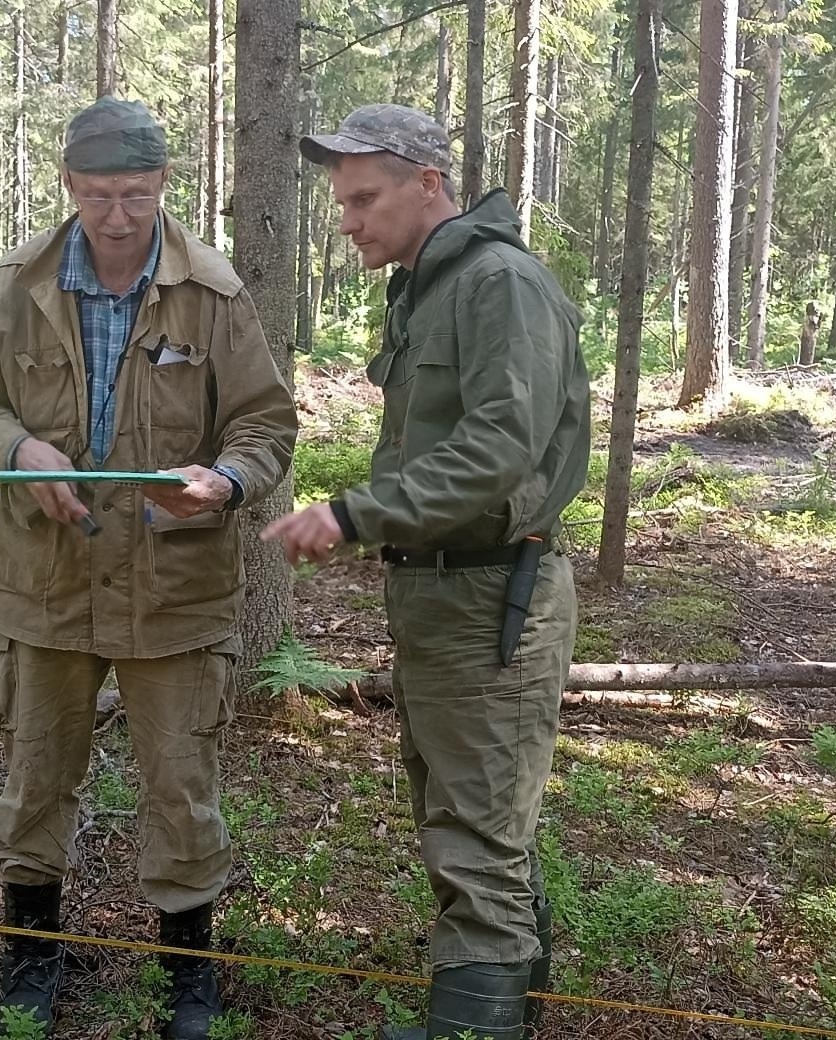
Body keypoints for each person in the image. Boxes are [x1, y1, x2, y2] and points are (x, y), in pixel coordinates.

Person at [0, 97, 297, 1038]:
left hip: (173, 587)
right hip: (45, 578)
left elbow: (266, 425)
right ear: (69, 184)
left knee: (181, 786)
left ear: (164, 184)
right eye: (97, 194)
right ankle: (31, 957)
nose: (116, 214)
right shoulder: (18, 284)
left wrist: (223, 482)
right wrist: (18, 449)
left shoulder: (212, 293)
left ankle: (188, 974)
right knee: (34, 776)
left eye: (136, 194)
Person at [261, 104, 590, 1040]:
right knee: (468, 810)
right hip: (442, 592)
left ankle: (474, 1031)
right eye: (342, 202)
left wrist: (353, 514)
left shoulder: (499, 283)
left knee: (476, 826)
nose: (349, 221)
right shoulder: (428, 287)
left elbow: (499, 451)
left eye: (365, 199)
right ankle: (503, 1014)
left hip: (493, 592)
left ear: (428, 184)